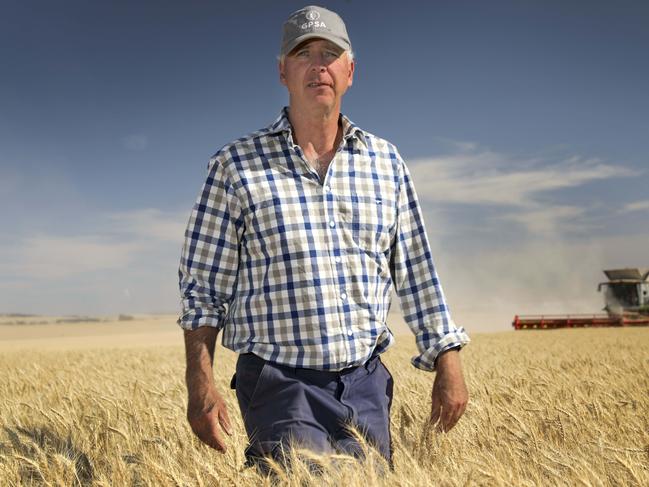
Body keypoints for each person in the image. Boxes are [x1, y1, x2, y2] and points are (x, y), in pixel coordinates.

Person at [177, 4, 470, 472]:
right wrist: (200, 381)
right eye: (303, 53)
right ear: (282, 71)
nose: (319, 65)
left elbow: (415, 270)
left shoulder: (385, 162)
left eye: (330, 53)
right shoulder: (235, 166)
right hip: (279, 384)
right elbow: (204, 289)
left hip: (366, 384)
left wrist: (447, 361)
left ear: (350, 70)